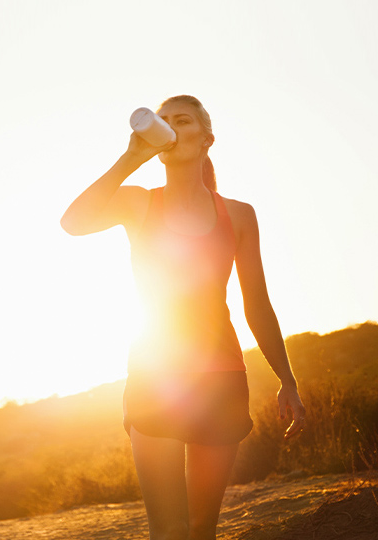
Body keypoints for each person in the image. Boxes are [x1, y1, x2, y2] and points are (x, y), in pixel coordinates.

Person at [61, 95, 306, 540]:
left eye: (183, 120)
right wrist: (132, 157)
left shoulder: (239, 215)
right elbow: (73, 222)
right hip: (156, 378)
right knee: (170, 529)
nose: (170, 127)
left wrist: (287, 380)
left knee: (200, 528)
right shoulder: (138, 203)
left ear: (207, 139)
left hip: (222, 379)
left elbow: (257, 304)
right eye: (163, 120)